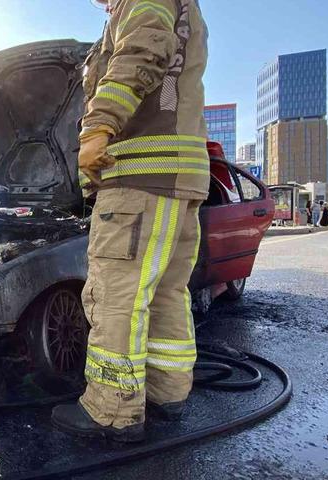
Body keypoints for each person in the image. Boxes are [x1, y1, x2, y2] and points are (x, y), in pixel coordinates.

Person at [51, 0, 209, 441]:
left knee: (115, 296)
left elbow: (140, 51)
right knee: (164, 293)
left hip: (139, 177)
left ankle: (110, 411)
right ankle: (167, 392)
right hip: (180, 177)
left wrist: (97, 127)